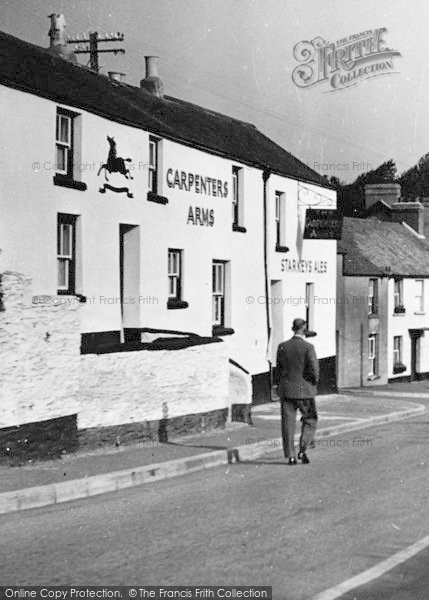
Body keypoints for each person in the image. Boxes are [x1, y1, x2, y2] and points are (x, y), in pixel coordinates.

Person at [275, 318, 319, 465]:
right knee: (310, 419)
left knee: (287, 423)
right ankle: (303, 449)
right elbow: (314, 369)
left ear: (292, 328)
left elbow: (278, 369)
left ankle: (290, 456)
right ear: (304, 328)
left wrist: (279, 385)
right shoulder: (308, 347)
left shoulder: (282, 346)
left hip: (287, 390)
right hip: (305, 390)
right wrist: (314, 382)